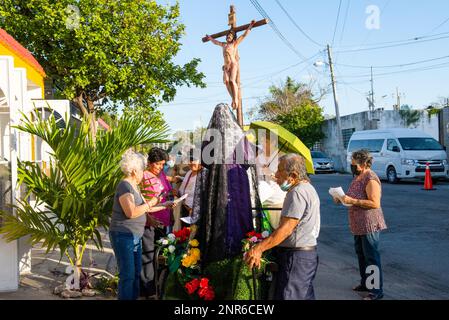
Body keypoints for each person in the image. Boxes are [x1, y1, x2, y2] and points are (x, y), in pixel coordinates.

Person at [245, 153, 321, 300]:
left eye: (280, 170)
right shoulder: (307, 188)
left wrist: (259, 248)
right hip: (304, 257)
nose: (276, 174)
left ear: (293, 175)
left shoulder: (297, 192)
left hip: (296, 257)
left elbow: (286, 229)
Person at [109, 151, 171, 300]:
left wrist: (164, 205)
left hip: (134, 235)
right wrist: (151, 202)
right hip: (123, 235)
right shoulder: (125, 186)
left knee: (136, 272)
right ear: (134, 170)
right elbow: (131, 212)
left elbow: (145, 208)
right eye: (142, 170)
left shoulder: (134, 186)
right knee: (128, 275)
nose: (144, 173)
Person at [337, 149, 387, 301]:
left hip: (368, 223)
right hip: (357, 224)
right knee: (361, 255)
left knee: (371, 257)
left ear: (364, 163)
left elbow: (374, 202)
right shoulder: (359, 176)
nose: (352, 166)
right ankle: (366, 283)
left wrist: (353, 201)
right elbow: (352, 196)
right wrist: (341, 198)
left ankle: (376, 290)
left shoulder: (370, 178)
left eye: (354, 164)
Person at [140, 147, 176, 298]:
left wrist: (172, 200)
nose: (161, 168)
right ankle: (147, 291)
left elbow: (167, 191)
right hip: (149, 222)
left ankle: (157, 286)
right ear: (149, 162)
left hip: (164, 221)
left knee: (161, 255)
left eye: (163, 164)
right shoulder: (143, 177)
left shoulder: (161, 174)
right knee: (147, 257)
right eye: (158, 164)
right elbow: (141, 202)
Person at [206, 20, 256, 111]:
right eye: (228, 36)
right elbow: (215, 42)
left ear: (233, 38)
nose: (228, 37)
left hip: (233, 64)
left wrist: (250, 26)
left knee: (232, 81)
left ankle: (236, 99)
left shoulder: (234, 44)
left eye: (230, 36)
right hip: (226, 66)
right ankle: (233, 98)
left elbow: (244, 35)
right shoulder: (223, 45)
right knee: (226, 82)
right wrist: (210, 38)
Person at [177, 151, 203, 225]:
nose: (191, 163)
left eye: (194, 160)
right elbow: (182, 190)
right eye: (189, 161)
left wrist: (195, 210)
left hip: (196, 212)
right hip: (186, 210)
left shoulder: (204, 174)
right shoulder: (189, 173)